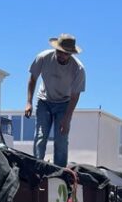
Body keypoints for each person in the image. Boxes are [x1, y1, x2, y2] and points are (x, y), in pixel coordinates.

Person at [25, 34, 86, 167]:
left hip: (64, 104)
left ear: (70, 53)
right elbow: (33, 79)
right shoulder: (43, 57)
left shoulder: (78, 69)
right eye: (59, 51)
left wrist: (67, 118)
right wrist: (29, 102)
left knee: (61, 140)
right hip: (44, 101)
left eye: (65, 53)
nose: (61, 55)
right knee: (41, 136)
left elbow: (75, 96)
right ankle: (37, 168)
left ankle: (60, 172)